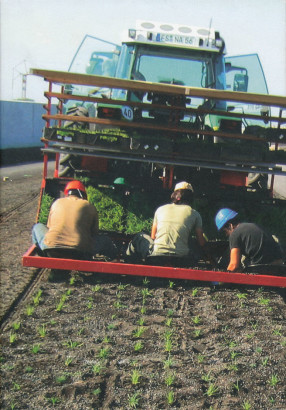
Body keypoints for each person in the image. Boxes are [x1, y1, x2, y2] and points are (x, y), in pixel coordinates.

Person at [32, 180, 118, 261]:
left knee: (37, 226)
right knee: (105, 240)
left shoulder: (57, 202)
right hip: (79, 252)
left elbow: (49, 227)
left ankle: (43, 254)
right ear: (83, 195)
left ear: (67, 194)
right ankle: (114, 258)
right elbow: (94, 233)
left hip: (52, 250)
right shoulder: (89, 205)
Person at [125, 181, 208, 265]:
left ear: (174, 194)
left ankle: (130, 269)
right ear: (191, 197)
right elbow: (201, 242)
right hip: (182, 259)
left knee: (139, 236)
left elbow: (153, 237)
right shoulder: (195, 214)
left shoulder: (160, 209)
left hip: (156, 256)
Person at [215, 208, 283, 272]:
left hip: (261, 269)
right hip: (279, 267)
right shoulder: (252, 226)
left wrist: (221, 280)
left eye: (225, 231)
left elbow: (234, 265)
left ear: (230, 225)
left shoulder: (235, 234)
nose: (226, 235)